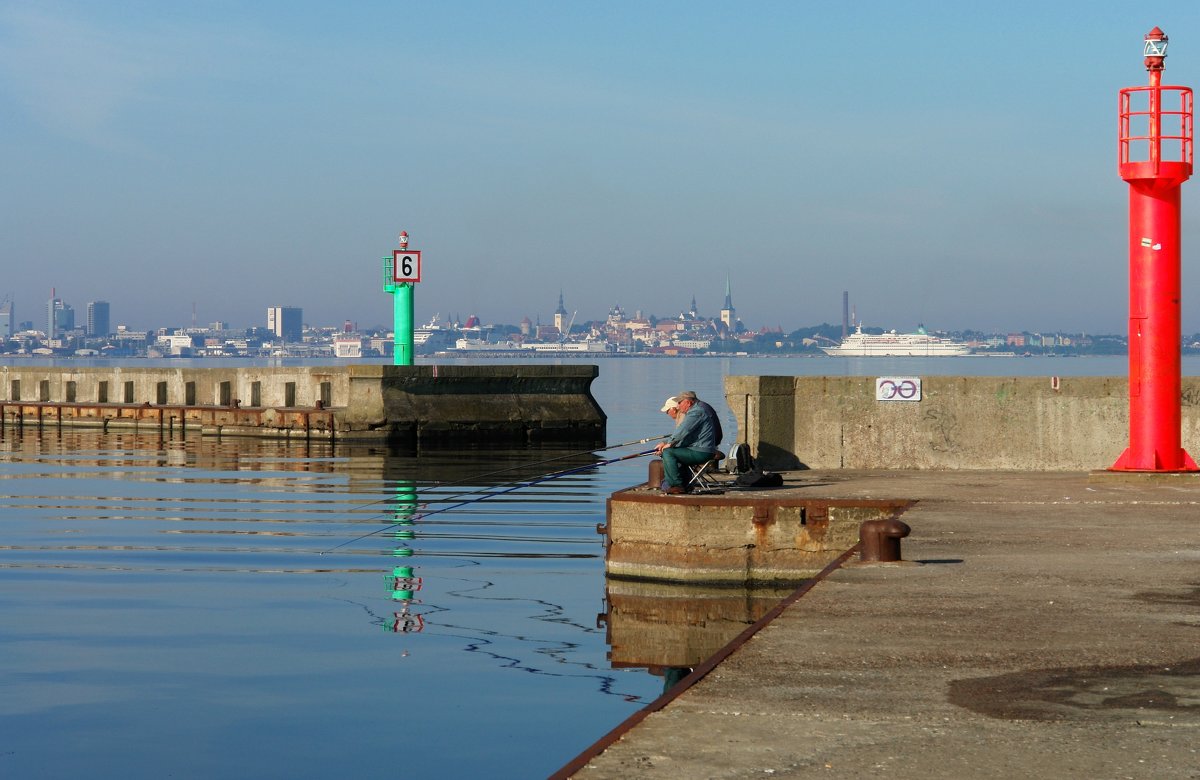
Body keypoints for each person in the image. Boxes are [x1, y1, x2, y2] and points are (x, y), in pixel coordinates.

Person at [653, 390, 722, 494]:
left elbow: (683, 430)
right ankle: (685, 484)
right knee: (671, 451)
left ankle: (676, 485)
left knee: (668, 453)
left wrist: (669, 444)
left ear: (688, 402)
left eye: (680, 403)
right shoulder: (695, 412)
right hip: (698, 448)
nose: (678, 406)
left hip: (702, 451)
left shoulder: (696, 413)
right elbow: (685, 435)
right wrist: (666, 443)